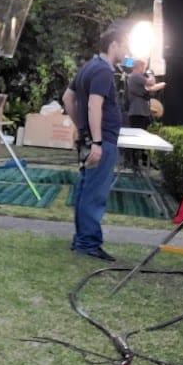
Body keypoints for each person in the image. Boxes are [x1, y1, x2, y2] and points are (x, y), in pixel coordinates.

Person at [62, 25, 129, 262]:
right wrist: (97, 141)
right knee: (95, 192)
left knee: (86, 189)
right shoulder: (103, 70)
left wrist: (82, 129)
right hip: (102, 141)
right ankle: (88, 243)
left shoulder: (88, 67)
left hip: (88, 139)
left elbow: (67, 98)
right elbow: (94, 105)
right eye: (125, 46)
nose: (127, 51)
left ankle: (82, 239)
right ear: (114, 45)